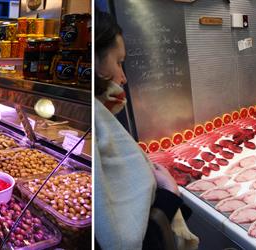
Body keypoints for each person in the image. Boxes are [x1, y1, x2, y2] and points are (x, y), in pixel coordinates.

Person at [94, 10, 196, 250]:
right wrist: (170, 193)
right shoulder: (97, 120)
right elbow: (129, 240)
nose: (123, 77)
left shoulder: (101, 115)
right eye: (118, 62)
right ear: (96, 62)